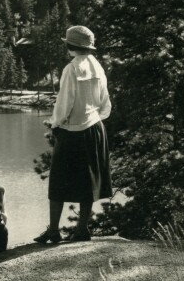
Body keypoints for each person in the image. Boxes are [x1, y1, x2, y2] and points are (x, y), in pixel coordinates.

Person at [34, 25, 112, 244]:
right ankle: (82, 229)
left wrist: (53, 122)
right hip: (95, 128)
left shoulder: (71, 68)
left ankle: (53, 231)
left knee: (58, 181)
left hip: (73, 131)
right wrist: (97, 117)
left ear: (70, 45)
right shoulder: (97, 65)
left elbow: (65, 103)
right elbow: (104, 101)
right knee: (87, 181)